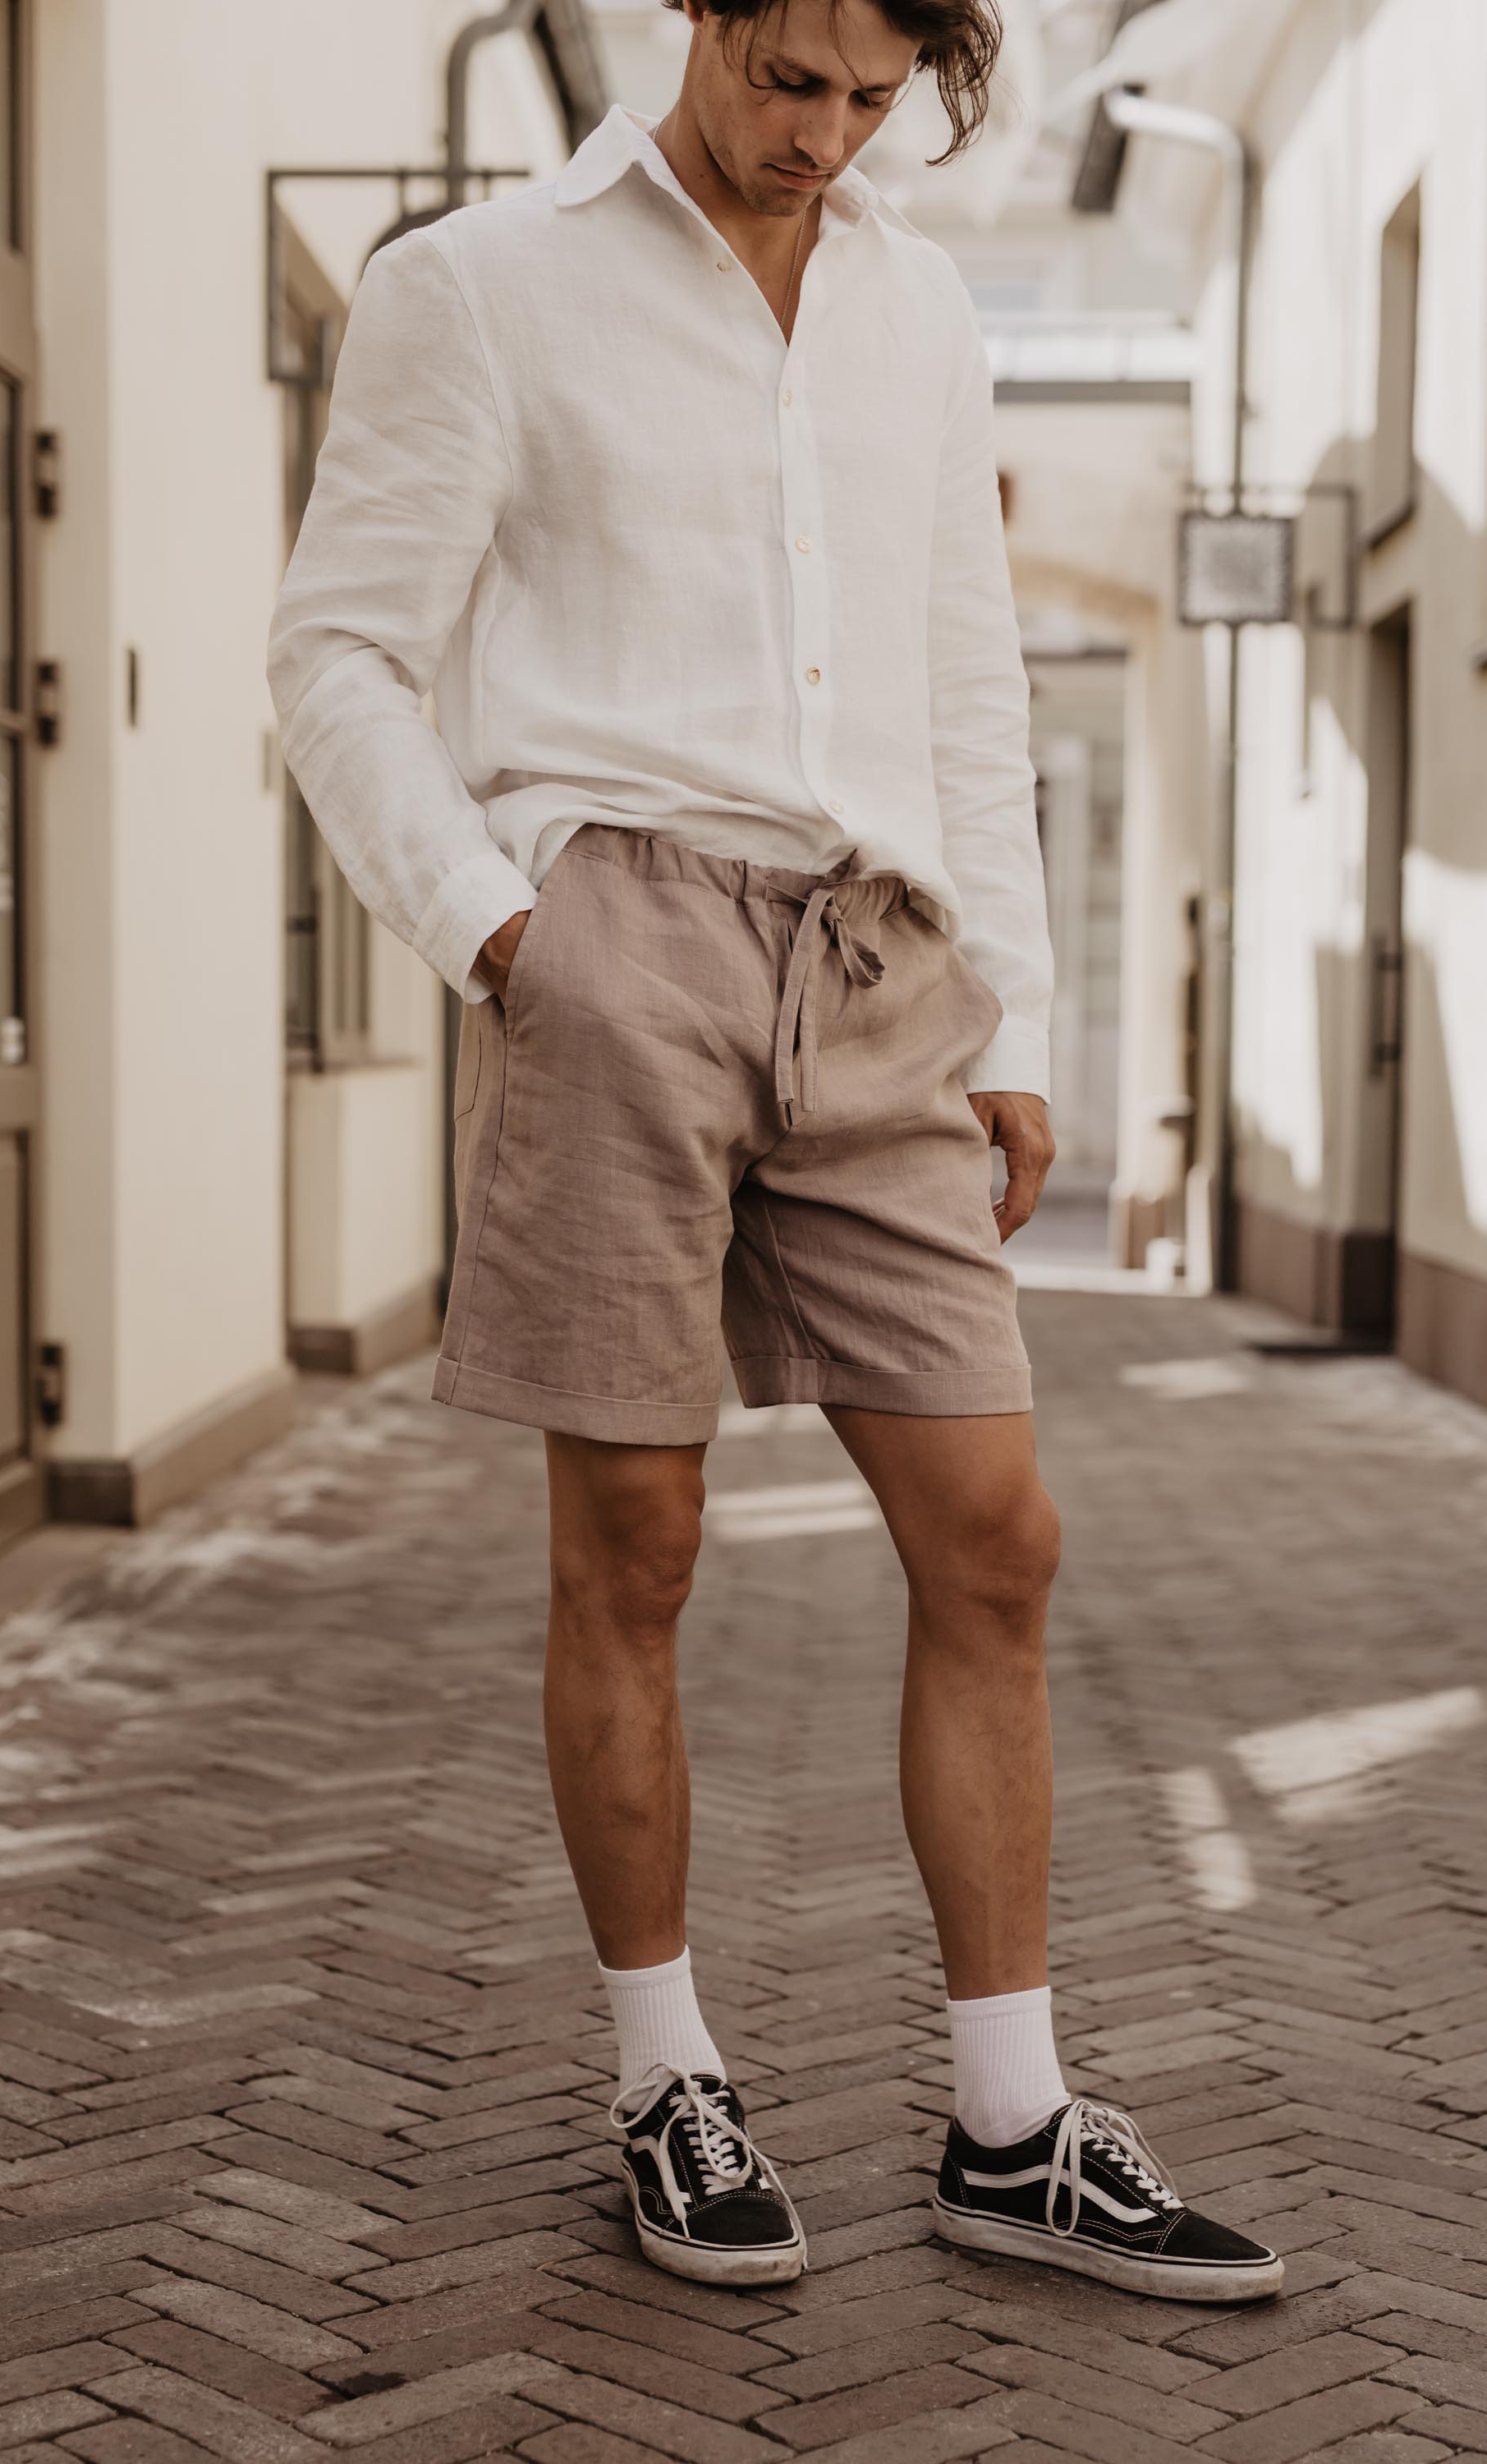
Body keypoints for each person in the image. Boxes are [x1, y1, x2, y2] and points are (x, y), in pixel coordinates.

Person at [268, 0, 1282, 2305]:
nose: (825, 137)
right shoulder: (483, 283)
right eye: (790, 80)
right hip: (613, 933)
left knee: (998, 1537)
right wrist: (507, 933)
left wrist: (1010, 1007)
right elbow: (336, 657)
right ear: (702, 17)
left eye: (874, 99)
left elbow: (968, 679)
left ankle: (1010, 2124)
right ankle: (667, 2079)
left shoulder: (919, 311)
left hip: (883, 958)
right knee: (637, 1546)